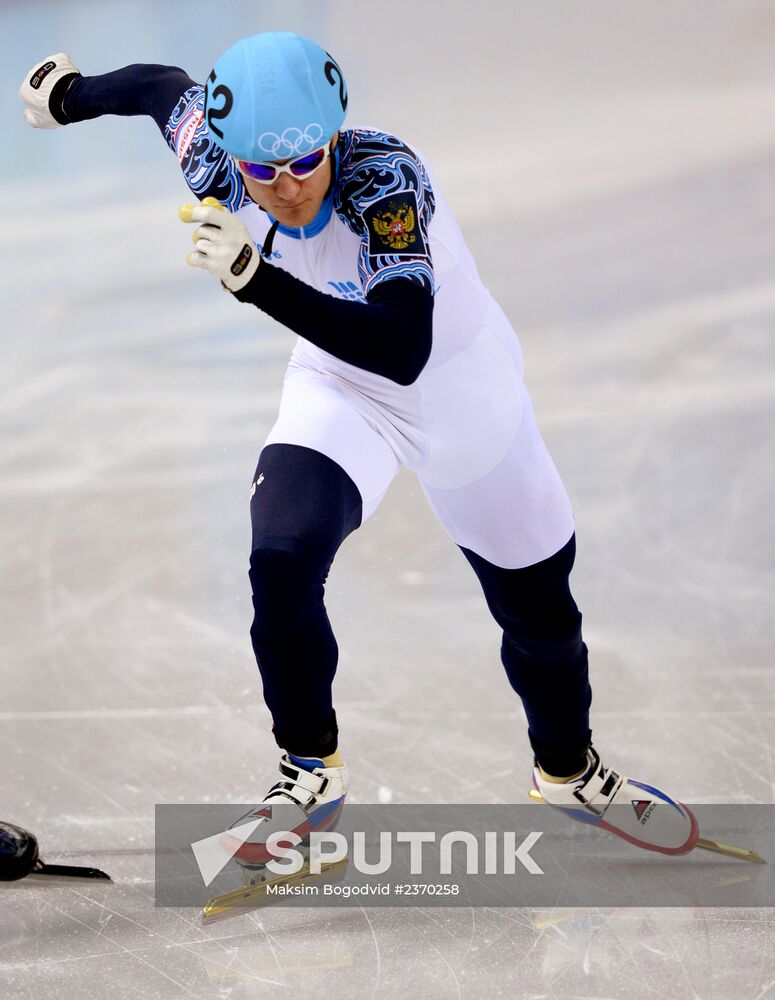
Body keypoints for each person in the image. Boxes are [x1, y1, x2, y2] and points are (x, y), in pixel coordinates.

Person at [19, 34, 698, 860]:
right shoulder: (219, 158)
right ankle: (309, 779)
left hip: (459, 396)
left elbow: (404, 348)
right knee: (280, 557)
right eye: (263, 174)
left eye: (305, 162)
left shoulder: (383, 178)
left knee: (541, 619)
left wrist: (252, 277)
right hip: (339, 385)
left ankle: (567, 772)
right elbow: (162, 86)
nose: (287, 189)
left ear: (334, 135)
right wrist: (73, 93)